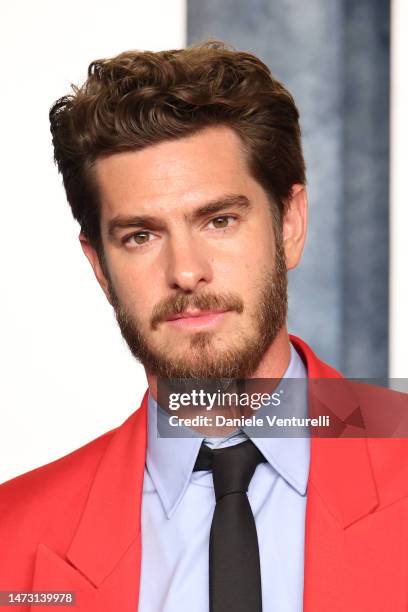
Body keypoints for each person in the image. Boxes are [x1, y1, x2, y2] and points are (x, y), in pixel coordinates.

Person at [0, 41, 407, 612]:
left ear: (289, 224)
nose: (186, 271)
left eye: (219, 220)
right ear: (99, 265)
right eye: (140, 236)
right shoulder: (11, 540)